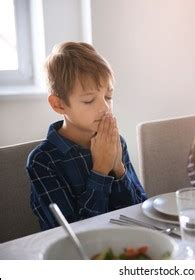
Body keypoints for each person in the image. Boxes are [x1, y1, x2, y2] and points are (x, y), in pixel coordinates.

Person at [27, 42, 147, 230]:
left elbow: (139, 211)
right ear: (59, 105)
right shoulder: (43, 161)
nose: (105, 107)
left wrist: (118, 169)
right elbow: (74, 233)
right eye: (89, 100)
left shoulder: (115, 142)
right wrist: (100, 170)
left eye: (108, 97)